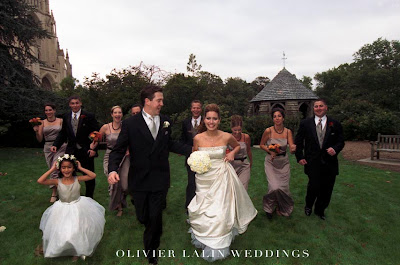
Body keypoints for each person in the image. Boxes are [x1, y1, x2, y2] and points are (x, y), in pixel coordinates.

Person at [108, 85, 192, 265]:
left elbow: (170, 144)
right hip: (139, 179)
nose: (162, 103)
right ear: (147, 101)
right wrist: (113, 169)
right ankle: (147, 223)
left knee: (155, 218)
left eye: (162, 100)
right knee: (143, 216)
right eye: (159, 100)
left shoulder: (165, 120)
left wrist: (194, 150)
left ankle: (152, 253)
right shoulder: (131, 124)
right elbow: (118, 150)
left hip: (160, 178)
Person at [188, 104, 257, 262]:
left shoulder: (226, 136)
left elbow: (238, 146)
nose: (211, 122)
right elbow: (194, 155)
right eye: (208, 118)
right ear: (204, 120)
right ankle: (205, 237)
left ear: (219, 120)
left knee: (220, 212)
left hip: (222, 177)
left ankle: (219, 243)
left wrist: (232, 153)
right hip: (204, 180)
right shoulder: (198, 138)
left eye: (214, 118)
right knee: (204, 210)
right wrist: (196, 164)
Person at [37, 155, 105, 261]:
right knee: (62, 229)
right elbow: (40, 181)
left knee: (77, 229)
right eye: (63, 167)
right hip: (62, 208)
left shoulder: (77, 179)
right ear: (60, 168)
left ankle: (77, 251)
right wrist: (52, 169)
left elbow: (92, 175)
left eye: (69, 167)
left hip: (77, 207)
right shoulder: (57, 181)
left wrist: (81, 168)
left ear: (73, 168)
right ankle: (61, 247)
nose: (66, 170)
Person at [295, 99, 345, 220]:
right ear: (313, 109)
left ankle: (320, 210)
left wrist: (335, 148)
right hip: (312, 161)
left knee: (327, 188)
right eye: (316, 106)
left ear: (326, 108)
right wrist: (300, 157)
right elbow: (299, 141)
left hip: (330, 162)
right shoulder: (305, 123)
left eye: (321, 106)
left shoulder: (335, 124)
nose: (318, 108)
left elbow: (341, 141)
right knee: (314, 186)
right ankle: (308, 206)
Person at [51, 95, 99, 198]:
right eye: (72, 103)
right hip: (71, 150)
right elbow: (63, 133)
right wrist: (56, 145)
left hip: (86, 150)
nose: (75, 105)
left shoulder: (89, 116)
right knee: (68, 173)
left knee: (89, 175)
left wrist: (93, 149)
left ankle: (89, 198)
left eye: (77, 103)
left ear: (80, 103)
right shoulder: (66, 116)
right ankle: (69, 195)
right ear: (69, 104)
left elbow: (96, 134)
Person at [91, 106, 129, 217]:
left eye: (119, 112)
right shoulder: (105, 127)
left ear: (122, 114)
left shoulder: (126, 126)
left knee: (125, 184)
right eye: (115, 113)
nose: (117, 115)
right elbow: (96, 140)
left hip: (124, 156)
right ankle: (119, 207)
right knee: (113, 182)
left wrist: (128, 150)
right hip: (110, 155)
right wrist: (92, 146)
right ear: (111, 114)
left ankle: (121, 199)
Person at [260, 108, 296, 219]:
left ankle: (283, 207)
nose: (277, 118)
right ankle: (269, 208)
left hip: (283, 163)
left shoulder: (287, 132)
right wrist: (269, 151)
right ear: (272, 119)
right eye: (275, 116)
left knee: (283, 188)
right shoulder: (268, 131)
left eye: (279, 116)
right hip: (271, 163)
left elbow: (291, 148)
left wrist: (293, 148)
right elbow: (261, 144)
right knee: (274, 187)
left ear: (283, 118)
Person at [33, 103, 66, 202]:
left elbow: (65, 134)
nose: (48, 112)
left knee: (55, 168)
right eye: (46, 110)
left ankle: (55, 193)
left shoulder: (61, 121)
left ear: (54, 110)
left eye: (50, 110)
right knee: (52, 169)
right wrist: (36, 131)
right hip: (48, 147)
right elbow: (39, 139)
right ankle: (61, 189)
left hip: (61, 146)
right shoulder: (42, 123)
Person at [181, 100, 202, 209]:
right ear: (191, 109)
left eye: (198, 108)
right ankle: (189, 206)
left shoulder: (206, 121)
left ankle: (203, 204)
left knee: (203, 182)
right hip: (190, 157)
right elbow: (183, 139)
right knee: (191, 182)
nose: (196, 110)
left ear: (201, 109)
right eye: (194, 108)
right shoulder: (185, 122)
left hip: (204, 156)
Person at [229, 115, 252, 190]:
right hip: (232, 166)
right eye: (235, 130)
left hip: (244, 165)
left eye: (239, 130)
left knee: (243, 188)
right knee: (233, 189)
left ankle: (242, 202)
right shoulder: (228, 138)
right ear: (231, 128)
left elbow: (248, 150)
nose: (237, 132)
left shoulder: (246, 137)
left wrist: (251, 162)